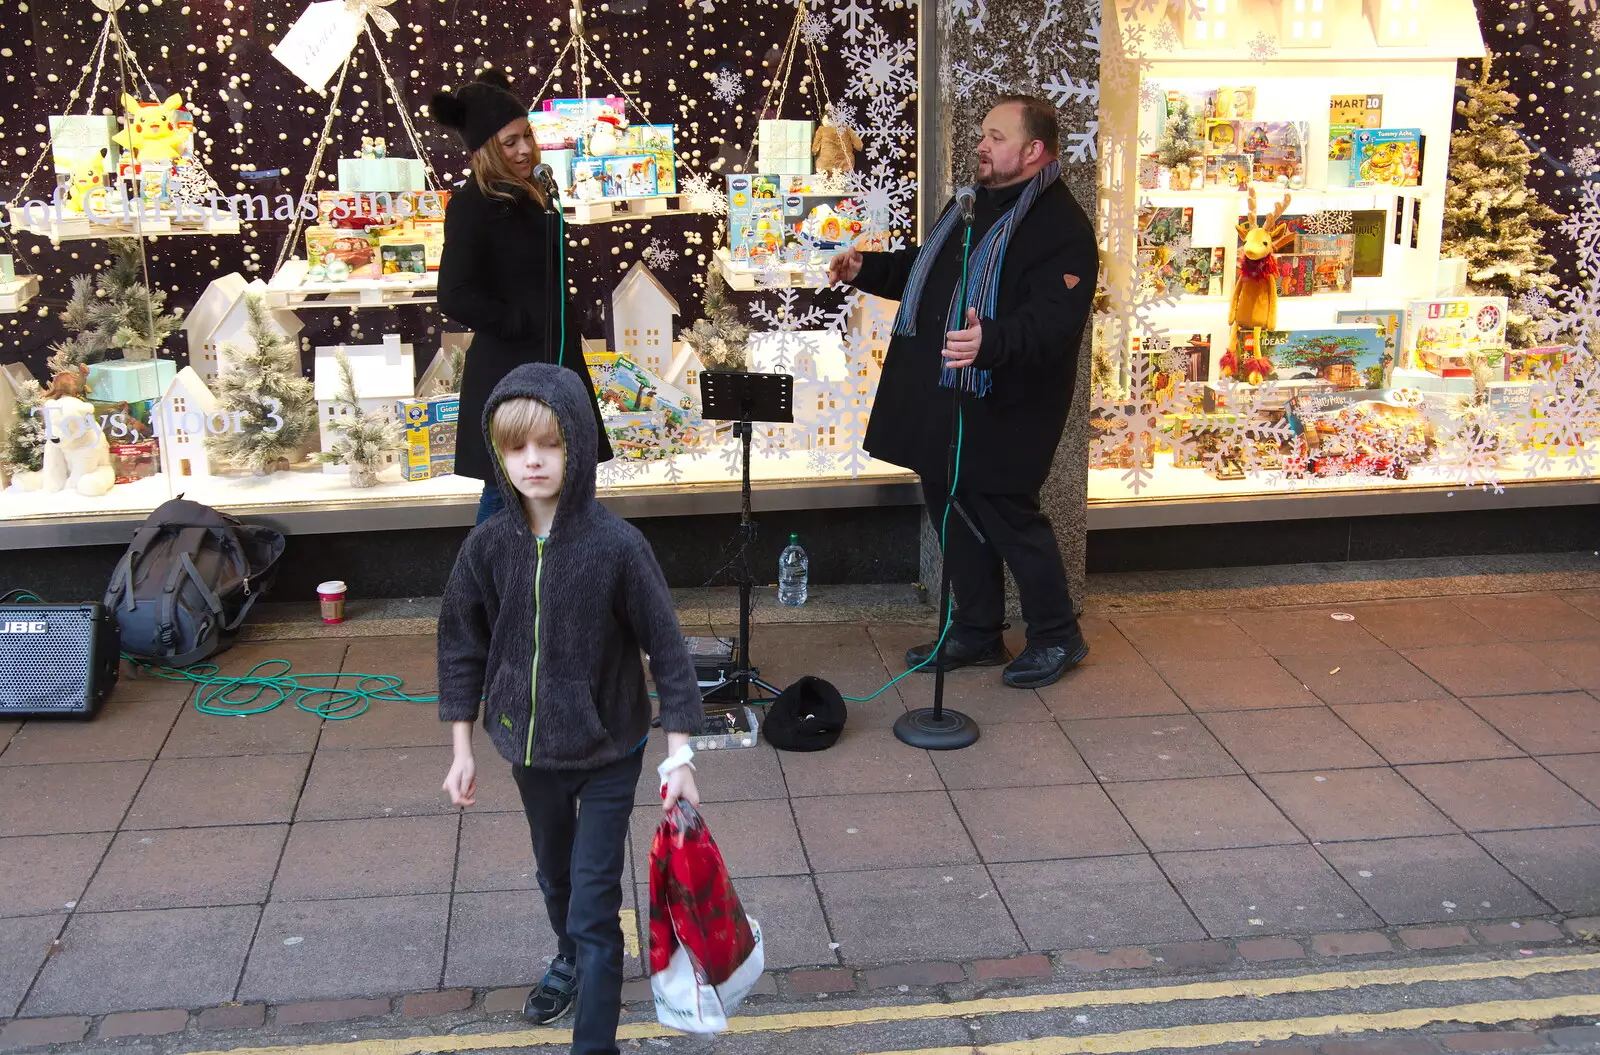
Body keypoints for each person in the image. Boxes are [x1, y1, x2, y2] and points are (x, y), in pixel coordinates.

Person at [437, 363, 704, 1053]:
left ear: (577, 446)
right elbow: (462, 643)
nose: (532, 460)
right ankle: (570, 955)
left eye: (549, 444)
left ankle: (595, 1041)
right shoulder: (488, 545)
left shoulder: (618, 546)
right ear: (499, 453)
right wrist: (462, 746)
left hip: (609, 747)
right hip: (529, 748)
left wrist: (680, 755)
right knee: (555, 879)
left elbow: (668, 650)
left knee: (594, 905)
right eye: (516, 446)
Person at [829, 95, 1098, 690]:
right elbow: (927, 271)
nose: (982, 144)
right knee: (952, 508)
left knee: (1006, 514)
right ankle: (977, 629)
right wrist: (864, 270)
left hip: (1007, 404)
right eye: (983, 134)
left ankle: (1057, 634)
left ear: (1034, 150)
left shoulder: (1061, 228)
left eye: (997, 137)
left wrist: (991, 340)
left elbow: (1054, 322)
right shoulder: (970, 206)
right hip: (949, 399)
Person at [430, 69, 613, 526]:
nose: (525, 149)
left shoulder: (533, 192)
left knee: (568, 479)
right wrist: (519, 323)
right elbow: (453, 294)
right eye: (510, 142)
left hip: (554, 359)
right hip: (510, 369)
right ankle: (483, 588)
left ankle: (561, 581)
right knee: (506, 492)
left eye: (527, 136)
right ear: (487, 149)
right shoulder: (474, 204)